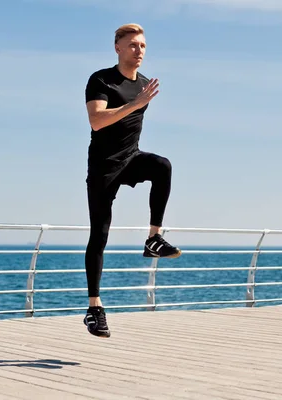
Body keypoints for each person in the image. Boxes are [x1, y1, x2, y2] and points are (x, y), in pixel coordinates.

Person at [82, 23, 182, 338]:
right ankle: (94, 309)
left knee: (162, 166)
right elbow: (97, 121)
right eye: (133, 45)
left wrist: (140, 100)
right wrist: (134, 105)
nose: (139, 51)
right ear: (118, 48)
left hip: (130, 160)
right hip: (103, 169)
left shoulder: (143, 84)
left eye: (143, 46)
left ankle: (154, 238)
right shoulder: (101, 80)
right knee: (99, 234)